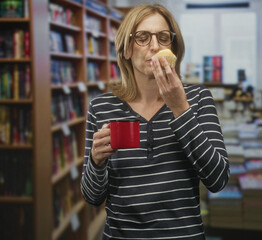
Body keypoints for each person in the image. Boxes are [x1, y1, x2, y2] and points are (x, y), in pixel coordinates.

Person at [81, 4, 230, 239]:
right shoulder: (102, 107)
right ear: (127, 49)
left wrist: (180, 108)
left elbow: (218, 180)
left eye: (163, 37)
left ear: (173, 47)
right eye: (142, 37)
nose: (154, 45)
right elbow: (92, 197)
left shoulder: (198, 99)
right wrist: (96, 163)